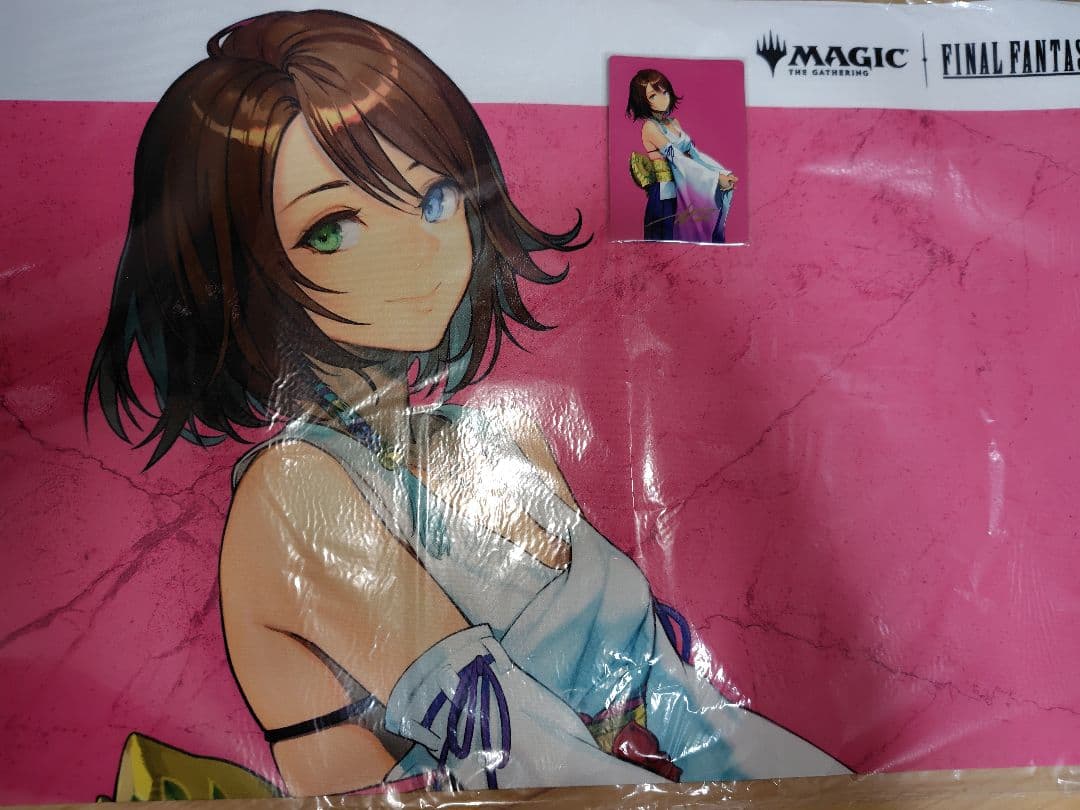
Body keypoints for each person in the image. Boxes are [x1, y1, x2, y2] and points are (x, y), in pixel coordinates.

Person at [86, 10, 844, 795]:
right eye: (334, 229)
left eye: (436, 197)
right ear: (235, 277)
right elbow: (516, 760)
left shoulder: (503, 440)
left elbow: (688, 708)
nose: (421, 249)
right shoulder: (293, 492)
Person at [626, 69, 738, 243]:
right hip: (666, 194)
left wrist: (719, 173)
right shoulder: (650, 127)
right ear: (641, 100)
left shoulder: (673, 122)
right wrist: (715, 179)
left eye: (664, 92)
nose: (663, 98)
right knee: (665, 244)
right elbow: (676, 157)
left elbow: (694, 154)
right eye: (653, 96)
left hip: (684, 187)